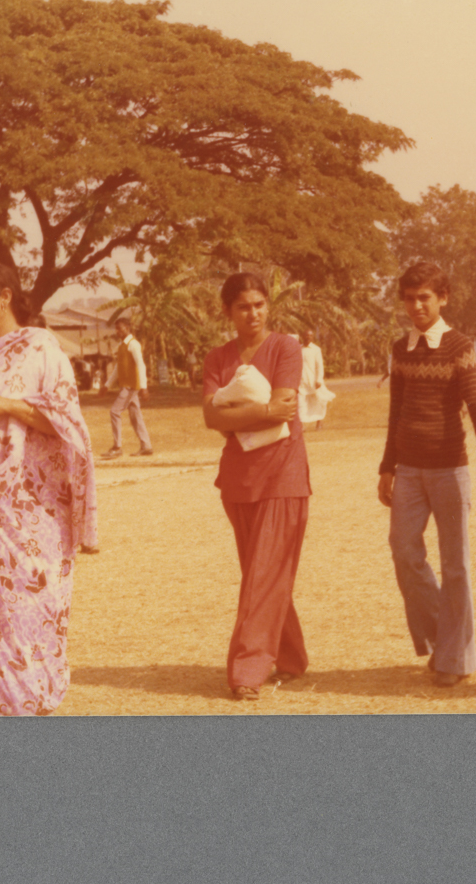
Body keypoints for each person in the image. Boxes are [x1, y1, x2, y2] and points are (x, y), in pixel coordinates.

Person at [0, 263, 97, 715]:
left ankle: (27, 697)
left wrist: (9, 405)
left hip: (29, 504)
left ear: (5, 297)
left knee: (28, 593)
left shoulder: (40, 348)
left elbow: (69, 422)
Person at [378, 262, 476, 688]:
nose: (416, 306)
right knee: (404, 552)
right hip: (408, 470)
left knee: (456, 564)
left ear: (442, 298)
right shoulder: (400, 349)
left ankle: (454, 657)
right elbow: (396, 412)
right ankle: (447, 637)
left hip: (449, 469)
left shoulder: (458, 345)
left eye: (424, 297)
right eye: (409, 298)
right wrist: (387, 466)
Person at [203, 272, 311, 701]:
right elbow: (211, 418)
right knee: (260, 574)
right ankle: (291, 657)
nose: (253, 313)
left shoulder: (285, 347)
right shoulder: (218, 359)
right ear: (228, 311)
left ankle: (247, 669)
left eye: (259, 304)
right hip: (238, 480)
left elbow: (284, 409)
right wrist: (261, 409)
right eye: (243, 306)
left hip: (284, 474)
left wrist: (240, 412)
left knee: (265, 573)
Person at [103, 317, 153, 459]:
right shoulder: (122, 346)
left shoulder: (133, 344)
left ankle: (117, 447)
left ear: (128, 328)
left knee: (114, 412)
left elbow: (141, 365)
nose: (117, 331)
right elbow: (118, 368)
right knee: (135, 416)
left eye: (120, 328)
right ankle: (146, 446)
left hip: (131, 387)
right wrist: (107, 385)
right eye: (116, 328)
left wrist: (144, 387)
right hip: (126, 385)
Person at [297, 329, 334, 430]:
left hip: (314, 380)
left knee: (319, 401)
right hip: (302, 380)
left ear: (313, 337)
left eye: (311, 336)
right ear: (303, 336)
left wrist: (319, 379)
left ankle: (319, 423)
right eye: (307, 335)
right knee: (301, 402)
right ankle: (301, 425)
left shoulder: (316, 349)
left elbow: (319, 366)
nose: (308, 337)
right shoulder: (298, 349)